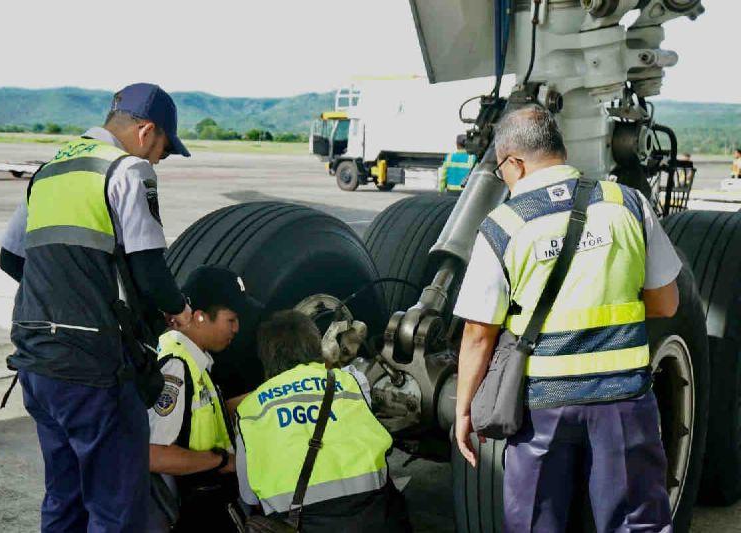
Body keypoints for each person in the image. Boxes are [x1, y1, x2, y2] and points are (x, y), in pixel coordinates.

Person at [453, 106, 681, 532]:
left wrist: (464, 410)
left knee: (536, 522)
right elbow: (666, 303)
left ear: (515, 163)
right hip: (623, 398)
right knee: (637, 524)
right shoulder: (628, 203)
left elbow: (478, 333)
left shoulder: (503, 225)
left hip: (542, 406)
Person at [0, 83, 193, 532]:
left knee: (64, 499)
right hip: (93, 370)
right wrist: (180, 311)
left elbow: (11, 258)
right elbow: (150, 271)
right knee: (115, 509)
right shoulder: (126, 170)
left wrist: (61, 298)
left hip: (36, 361)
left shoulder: (50, 171)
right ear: (146, 132)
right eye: (163, 149)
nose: (158, 160)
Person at [235, 310, 412, 533]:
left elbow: (249, 496)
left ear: (266, 357)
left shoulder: (249, 410)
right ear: (315, 346)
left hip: (299, 525)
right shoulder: (352, 381)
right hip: (374, 516)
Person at [147, 265, 257, 532]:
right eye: (231, 320)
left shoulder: (196, 362)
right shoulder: (176, 367)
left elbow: (202, 417)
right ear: (199, 316)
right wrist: (221, 461)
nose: (236, 328)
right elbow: (154, 455)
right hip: (194, 512)